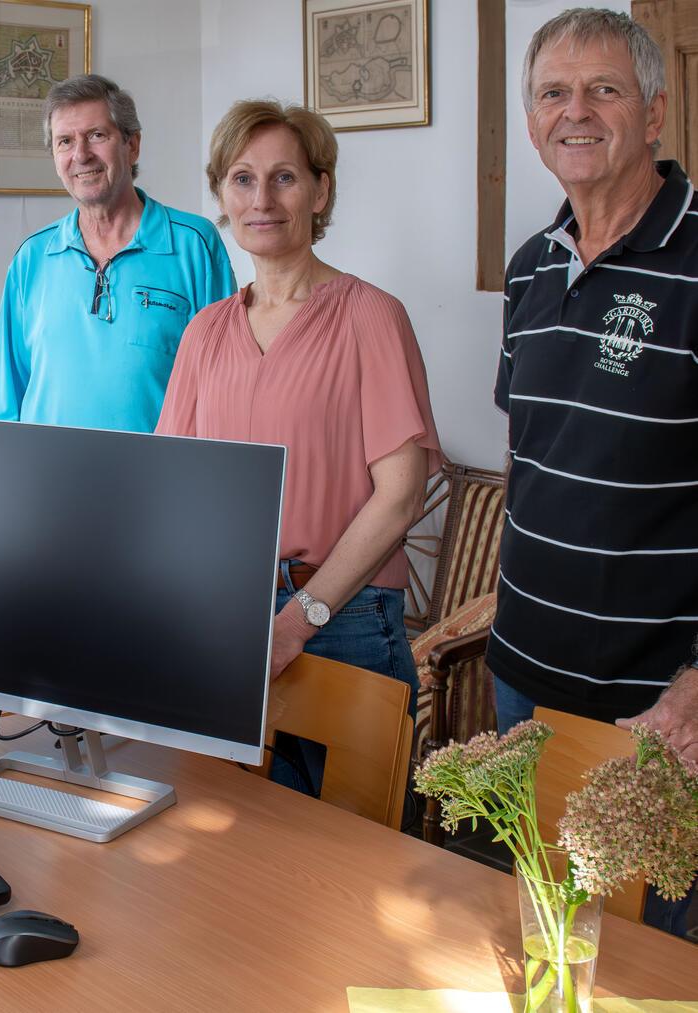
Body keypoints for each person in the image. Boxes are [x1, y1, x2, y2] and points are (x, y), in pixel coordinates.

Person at [155, 100, 441, 789]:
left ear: (321, 189)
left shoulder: (372, 317)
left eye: (284, 177)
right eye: (243, 179)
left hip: (345, 616)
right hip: (225, 618)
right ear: (223, 195)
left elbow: (400, 497)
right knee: (235, 842)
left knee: (357, 860)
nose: (263, 198)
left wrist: (301, 618)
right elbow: (174, 485)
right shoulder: (204, 332)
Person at [492, 8, 697, 936]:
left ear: (653, 111)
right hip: (522, 683)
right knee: (533, 941)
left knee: (645, 967)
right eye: (552, 93)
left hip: (653, 709)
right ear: (533, 121)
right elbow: (537, 459)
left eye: (603, 89)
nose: (576, 111)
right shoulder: (530, 268)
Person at [0, 74, 236, 432]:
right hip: (47, 480)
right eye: (64, 141)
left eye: (96, 136)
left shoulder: (195, 245)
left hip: (156, 480)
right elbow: (3, 398)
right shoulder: (32, 257)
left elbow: (225, 386)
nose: (80, 155)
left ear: (133, 145)